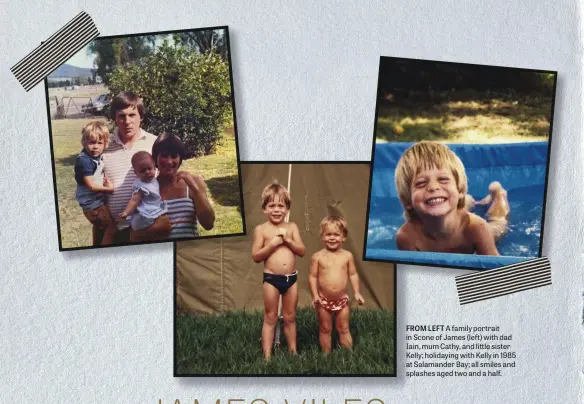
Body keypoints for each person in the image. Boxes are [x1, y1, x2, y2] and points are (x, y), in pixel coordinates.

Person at [394, 141, 499, 255]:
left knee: (497, 226)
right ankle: (467, 201)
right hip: (450, 204)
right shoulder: (407, 237)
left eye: (443, 179)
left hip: (474, 226)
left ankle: (498, 196)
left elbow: (496, 271)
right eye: (421, 183)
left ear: (460, 190)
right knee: (448, 201)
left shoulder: (477, 228)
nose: (433, 187)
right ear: (408, 200)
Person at [251, 183, 306, 360]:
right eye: (272, 206)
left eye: (281, 206)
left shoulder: (292, 228)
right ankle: (267, 356)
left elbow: (302, 251)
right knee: (270, 317)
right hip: (271, 279)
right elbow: (256, 256)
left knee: (290, 317)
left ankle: (293, 352)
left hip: (291, 279)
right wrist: (273, 244)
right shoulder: (261, 230)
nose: (276, 210)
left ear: (287, 208)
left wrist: (288, 241)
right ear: (264, 209)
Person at [102, 91, 157, 244]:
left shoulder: (154, 143)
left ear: (141, 117)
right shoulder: (104, 146)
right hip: (116, 231)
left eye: (132, 115)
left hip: (150, 227)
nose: (127, 121)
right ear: (115, 118)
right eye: (121, 116)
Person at [309, 216, 365, 354]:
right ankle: (326, 356)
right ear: (322, 236)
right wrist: (315, 295)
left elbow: (353, 275)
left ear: (343, 237)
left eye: (336, 234)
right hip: (323, 300)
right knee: (325, 328)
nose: (332, 238)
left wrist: (357, 292)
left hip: (342, 300)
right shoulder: (317, 257)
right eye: (328, 234)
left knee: (344, 328)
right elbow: (312, 276)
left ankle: (347, 355)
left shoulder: (347, 256)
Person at [152, 133, 215, 238]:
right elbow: (136, 234)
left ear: (180, 158)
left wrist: (195, 189)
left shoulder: (194, 182)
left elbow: (208, 224)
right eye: (164, 155)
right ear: (155, 158)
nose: (169, 161)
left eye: (174, 156)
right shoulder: (148, 189)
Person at [74, 121, 117, 246]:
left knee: (101, 229)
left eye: (100, 143)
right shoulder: (84, 160)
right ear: (84, 142)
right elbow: (91, 185)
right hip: (92, 205)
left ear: (105, 144)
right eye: (91, 142)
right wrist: (109, 189)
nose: (95, 147)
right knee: (111, 229)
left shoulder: (95, 157)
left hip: (97, 202)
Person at [119, 152, 171, 242]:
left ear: (154, 167)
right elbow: (134, 201)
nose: (147, 172)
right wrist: (126, 212)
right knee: (137, 227)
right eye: (142, 171)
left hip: (155, 210)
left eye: (149, 168)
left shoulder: (154, 180)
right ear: (136, 173)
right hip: (146, 213)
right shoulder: (141, 185)